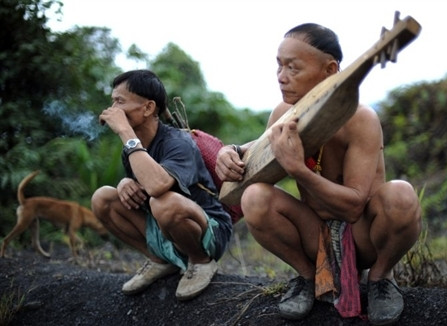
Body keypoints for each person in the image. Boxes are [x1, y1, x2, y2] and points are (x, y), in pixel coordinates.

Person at [215, 23, 421, 324]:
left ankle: (380, 280)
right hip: (315, 236)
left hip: (364, 236)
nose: (281, 77)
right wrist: (229, 150)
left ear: (330, 70)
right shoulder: (284, 114)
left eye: (293, 68)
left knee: (401, 195)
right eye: (279, 66)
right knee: (255, 197)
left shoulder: (361, 119)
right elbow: (260, 148)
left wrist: (298, 169)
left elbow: (353, 207)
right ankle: (307, 276)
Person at [91, 69, 232, 301]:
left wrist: (126, 132)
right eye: (112, 102)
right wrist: (126, 182)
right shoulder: (132, 147)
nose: (113, 110)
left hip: (209, 230)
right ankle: (161, 260)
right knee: (103, 198)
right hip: (165, 226)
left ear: (148, 108)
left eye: (120, 102)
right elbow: (143, 184)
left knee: (164, 203)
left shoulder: (177, 142)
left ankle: (200, 262)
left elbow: (157, 187)